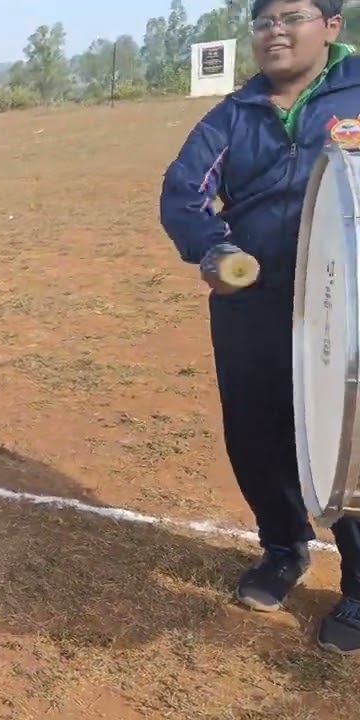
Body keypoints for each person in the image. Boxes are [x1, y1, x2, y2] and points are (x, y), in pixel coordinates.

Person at [159, 0, 360, 656]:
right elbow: (182, 195)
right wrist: (215, 251)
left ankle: (359, 583)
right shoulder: (233, 115)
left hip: (345, 304)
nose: (275, 30)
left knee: (347, 438)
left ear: (332, 25)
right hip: (251, 306)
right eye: (263, 20)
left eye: (292, 16)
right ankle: (283, 548)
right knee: (256, 433)